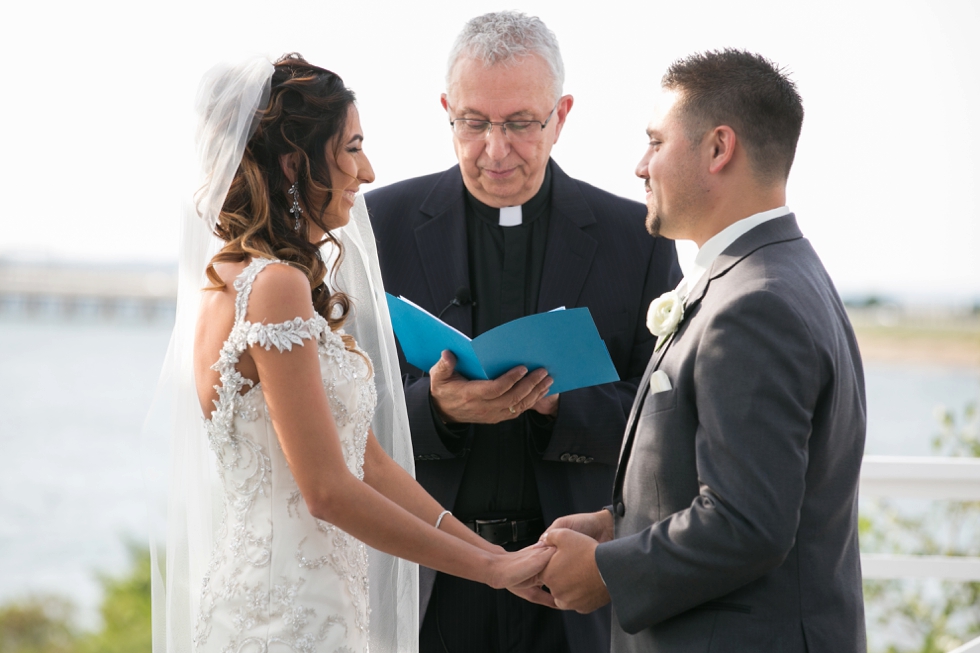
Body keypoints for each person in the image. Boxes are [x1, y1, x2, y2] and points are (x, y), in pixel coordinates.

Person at [150, 54, 555, 653]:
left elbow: (370, 464)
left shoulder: (233, 282)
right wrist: (490, 574)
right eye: (353, 147)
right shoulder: (274, 287)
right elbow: (328, 491)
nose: (367, 171)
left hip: (303, 598)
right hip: (290, 615)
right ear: (295, 162)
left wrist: (491, 556)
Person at [365, 12, 681, 653]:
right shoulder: (377, 225)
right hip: (427, 576)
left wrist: (559, 402)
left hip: (570, 584)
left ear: (561, 115)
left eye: (519, 124)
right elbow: (337, 405)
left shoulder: (635, 238)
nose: (495, 148)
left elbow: (666, 416)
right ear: (446, 110)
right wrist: (436, 407)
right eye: (474, 123)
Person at [538, 49, 868, 652]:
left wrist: (606, 570)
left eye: (655, 141)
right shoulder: (782, 272)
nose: (640, 165)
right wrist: (619, 526)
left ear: (719, 149)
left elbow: (748, 523)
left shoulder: (754, 305)